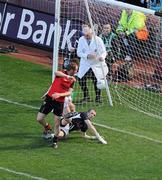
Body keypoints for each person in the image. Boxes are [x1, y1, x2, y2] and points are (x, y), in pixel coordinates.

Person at [36, 59, 79, 149]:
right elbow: (56, 73)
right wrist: (67, 76)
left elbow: (69, 92)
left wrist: (59, 94)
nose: (76, 71)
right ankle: (47, 127)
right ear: (71, 70)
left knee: (57, 123)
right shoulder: (62, 73)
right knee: (39, 119)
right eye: (75, 70)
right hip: (49, 99)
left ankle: (55, 141)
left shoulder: (73, 80)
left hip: (59, 102)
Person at [77, 25, 108, 103]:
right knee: (81, 79)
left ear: (91, 32)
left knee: (96, 80)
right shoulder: (81, 40)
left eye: (87, 35)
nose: (86, 36)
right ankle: (86, 96)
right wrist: (87, 56)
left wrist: (102, 57)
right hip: (85, 63)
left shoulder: (98, 40)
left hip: (96, 63)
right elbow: (79, 53)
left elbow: (104, 52)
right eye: (84, 35)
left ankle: (98, 97)